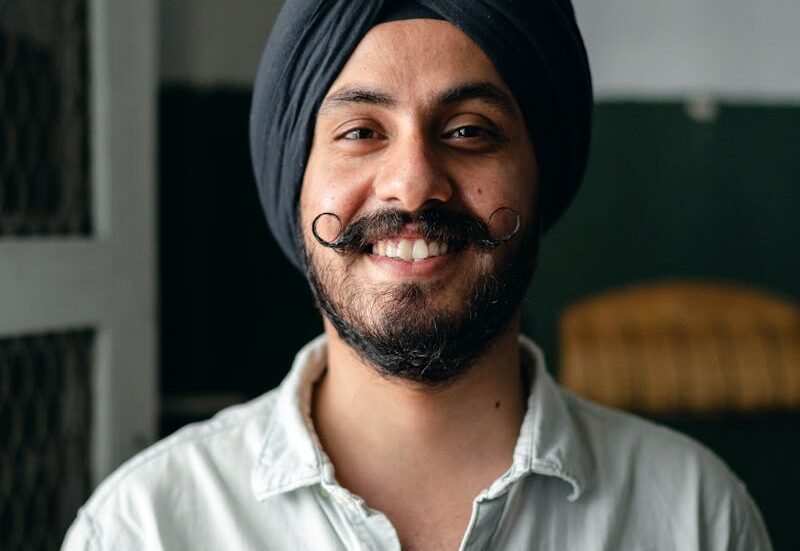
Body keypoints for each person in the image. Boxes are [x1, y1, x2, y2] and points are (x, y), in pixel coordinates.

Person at [63, 1, 772, 549]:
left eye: (469, 130)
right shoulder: (147, 525)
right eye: (360, 132)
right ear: (296, 182)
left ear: (540, 175)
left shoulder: (694, 516)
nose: (412, 184)